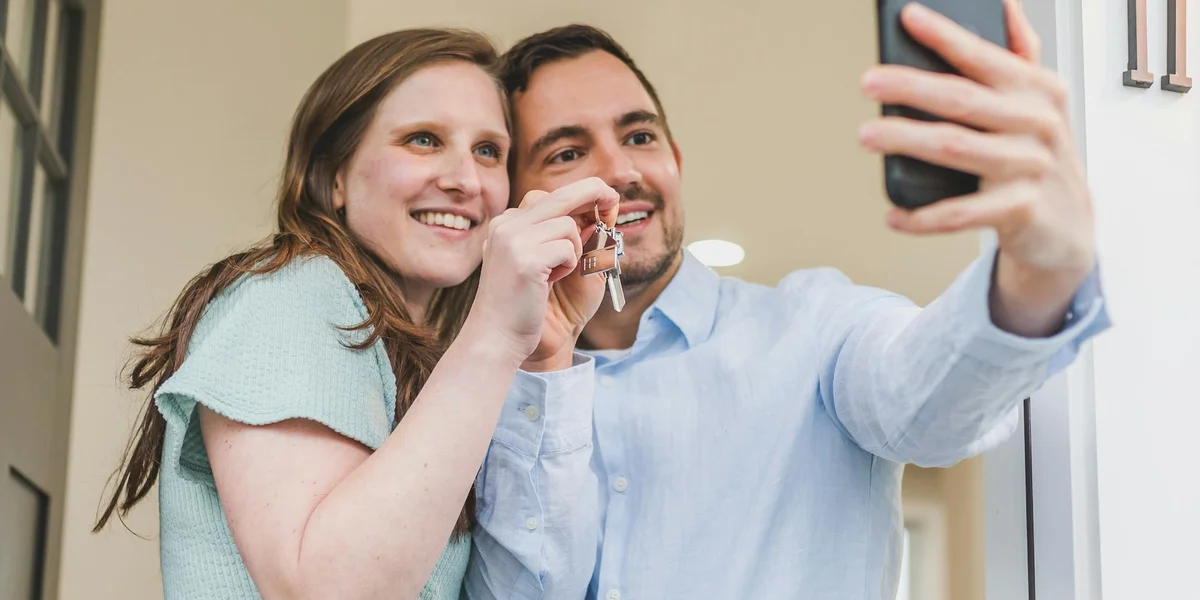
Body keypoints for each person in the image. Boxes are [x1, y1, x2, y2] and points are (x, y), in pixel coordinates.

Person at [463, 2, 1111, 599]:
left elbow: (930, 405)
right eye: (569, 152)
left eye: (639, 137)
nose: (622, 170)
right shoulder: (477, 392)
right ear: (517, 199)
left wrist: (1036, 275)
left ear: (676, 160)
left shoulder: (817, 329)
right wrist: (539, 370)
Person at [92, 29, 621, 599]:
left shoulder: (436, 366)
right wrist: (493, 334)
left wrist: (547, 351)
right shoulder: (293, 291)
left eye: (488, 151)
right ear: (335, 175)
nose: (466, 180)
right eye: (422, 139)